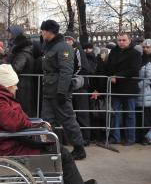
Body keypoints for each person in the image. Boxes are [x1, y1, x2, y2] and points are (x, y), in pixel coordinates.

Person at [0, 64, 108, 184]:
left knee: (59, 152)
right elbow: (14, 123)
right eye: (14, 85)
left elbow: (16, 122)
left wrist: (35, 124)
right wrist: (33, 125)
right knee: (61, 155)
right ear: (6, 84)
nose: (16, 88)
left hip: (14, 144)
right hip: (13, 150)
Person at [40, 20, 86, 160]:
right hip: (49, 91)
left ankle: (79, 148)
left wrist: (62, 91)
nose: (41, 34)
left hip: (59, 92)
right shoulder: (50, 47)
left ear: (49, 32)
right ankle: (48, 147)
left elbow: (66, 71)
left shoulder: (63, 47)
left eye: (43, 31)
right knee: (46, 121)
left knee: (68, 120)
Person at [106, 32, 141, 145]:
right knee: (115, 114)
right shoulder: (113, 52)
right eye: (119, 40)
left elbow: (134, 70)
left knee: (130, 114)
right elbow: (109, 67)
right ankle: (115, 137)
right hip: (116, 88)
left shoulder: (135, 53)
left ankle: (131, 138)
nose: (121, 42)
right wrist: (111, 76)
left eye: (123, 40)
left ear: (129, 40)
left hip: (129, 88)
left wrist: (118, 76)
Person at [65, 34, 93, 146]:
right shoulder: (64, 51)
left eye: (69, 39)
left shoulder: (77, 50)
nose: (67, 41)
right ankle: (73, 138)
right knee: (70, 114)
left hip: (79, 86)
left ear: (73, 41)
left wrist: (71, 77)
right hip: (69, 86)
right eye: (65, 39)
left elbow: (82, 68)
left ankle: (86, 138)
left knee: (82, 113)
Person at [7, 30, 37, 117]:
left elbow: (16, 69)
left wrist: (9, 61)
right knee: (27, 109)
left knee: (24, 109)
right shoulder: (28, 53)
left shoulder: (22, 54)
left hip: (22, 86)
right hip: (26, 85)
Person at [134, 43, 151, 143]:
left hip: (144, 94)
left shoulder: (146, 62)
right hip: (135, 94)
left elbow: (149, 78)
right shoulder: (133, 62)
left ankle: (147, 138)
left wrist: (137, 86)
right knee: (138, 117)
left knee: (146, 118)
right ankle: (139, 137)